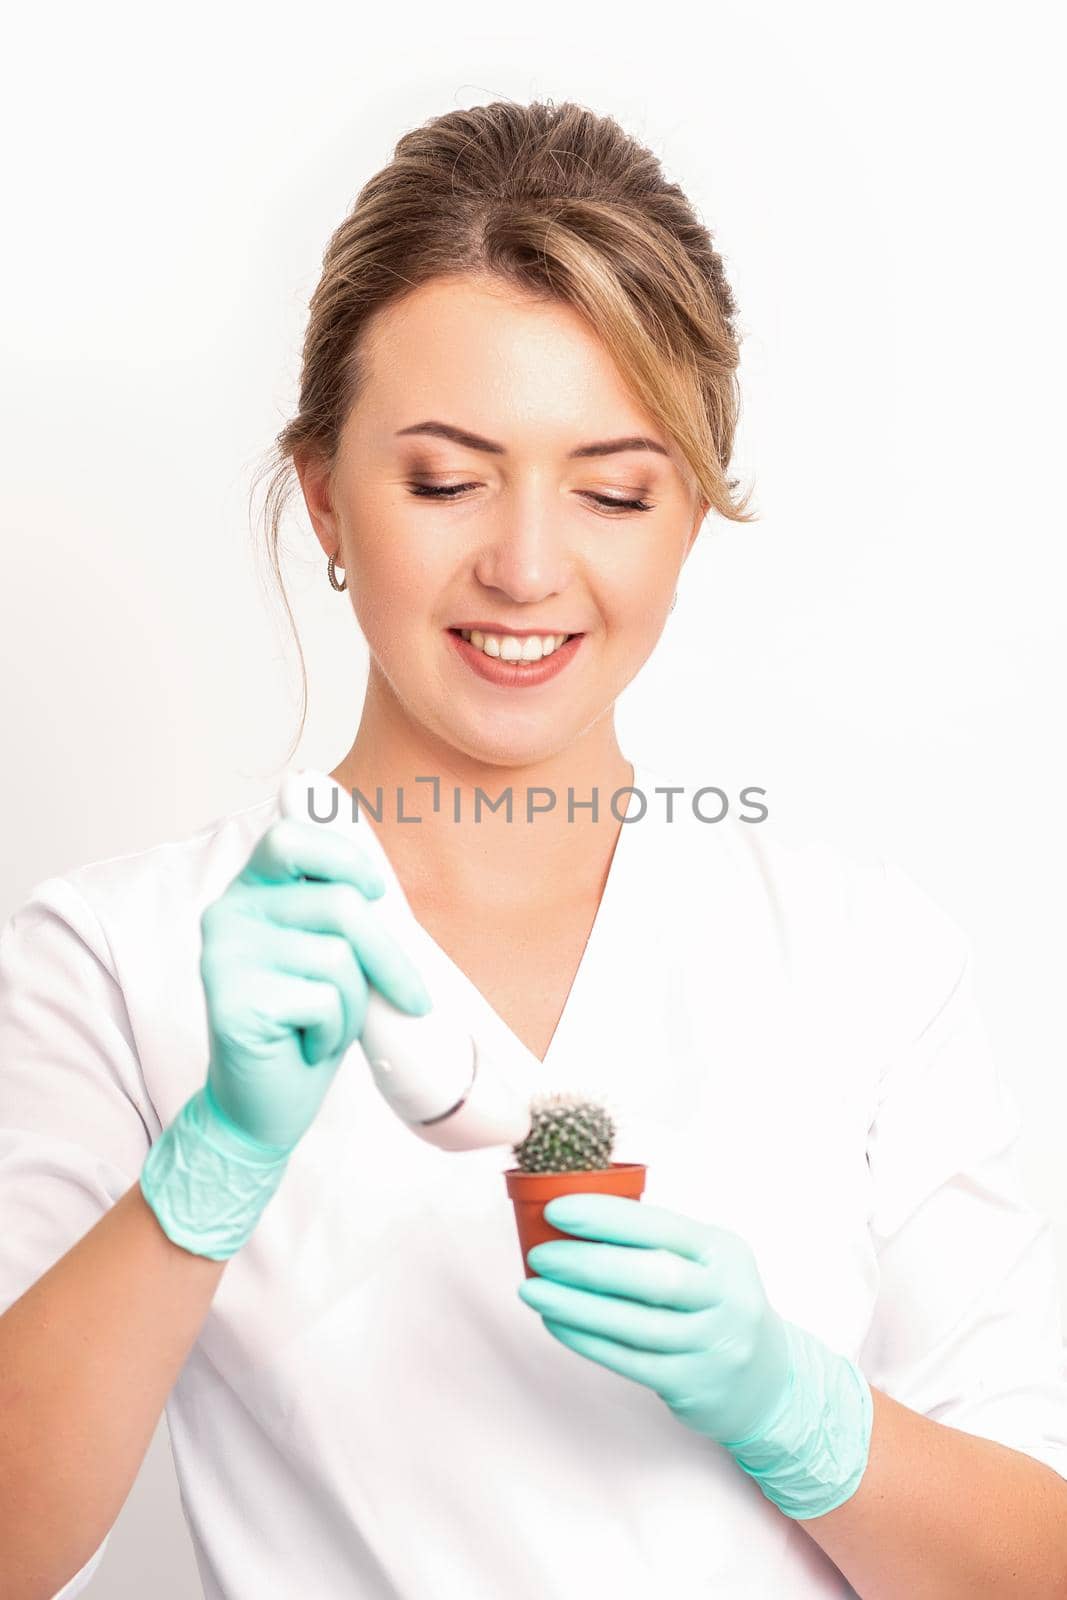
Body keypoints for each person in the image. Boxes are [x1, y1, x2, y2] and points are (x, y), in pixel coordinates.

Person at [2, 98, 1066, 1600]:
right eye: (444, 479)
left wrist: (801, 1417)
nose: (524, 564)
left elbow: (1041, 1562)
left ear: (689, 512)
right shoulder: (128, 957)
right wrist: (210, 1172)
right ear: (324, 494)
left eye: (614, 489)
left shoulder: (862, 956)